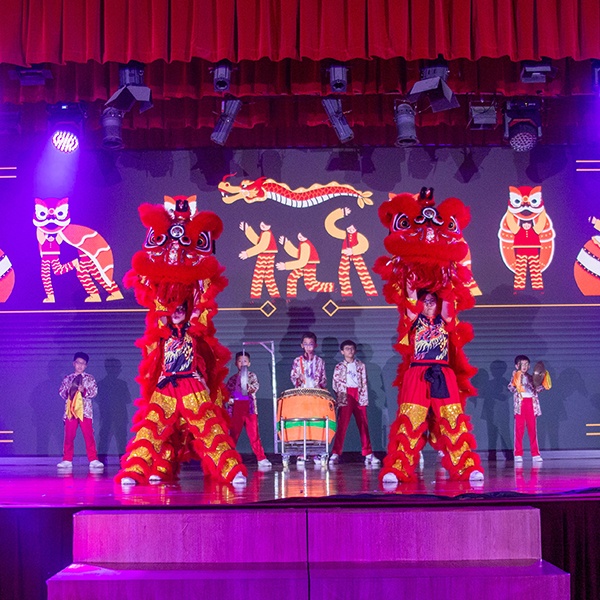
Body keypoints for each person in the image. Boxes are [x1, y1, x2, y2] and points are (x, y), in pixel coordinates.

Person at [116, 304, 247, 487]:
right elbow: (156, 327)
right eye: (173, 309)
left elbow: (204, 327)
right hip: (166, 386)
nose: (177, 313)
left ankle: (231, 470)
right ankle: (137, 470)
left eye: (181, 309)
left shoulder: (193, 332)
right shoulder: (162, 334)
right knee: (152, 428)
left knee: (208, 427)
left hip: (191, 385)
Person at [380, 286, 484, 484]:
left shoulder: (445, 320)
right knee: (410, 420)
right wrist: (411, 287)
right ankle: (398, 468)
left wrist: (446, 280)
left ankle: (466, 467)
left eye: (432, 301)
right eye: (425, 301)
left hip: (442, 374)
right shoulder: (413, 320)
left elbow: (448, 303)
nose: (428, 305)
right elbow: (411, 302)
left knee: (452, 419)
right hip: (417, 374)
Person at [330, 340, 380, 466]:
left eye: (352, 348)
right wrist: (341, 396)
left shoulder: (361, 365)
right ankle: (336, 453)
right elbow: (335, 383)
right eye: (347, 349)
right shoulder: (339, 367)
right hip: (345, 395)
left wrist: (363, 396)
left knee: (363, 425)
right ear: (342, 352)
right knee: (342, 426)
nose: (350, 351)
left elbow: (364, 381)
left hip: (359, 394)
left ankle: (368, 453)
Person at [57, 352, 104, 472]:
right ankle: (67, 459)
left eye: (83, 363)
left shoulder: (89, 378)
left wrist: (84, 391)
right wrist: (69, 391)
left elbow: (94, 392)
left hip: (85, 411)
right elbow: (61, 392)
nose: (80, 365)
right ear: (74, 363)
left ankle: (93, 459)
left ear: (86, 365)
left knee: (89, 435)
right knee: (69, 435)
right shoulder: (67, 378)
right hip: (71, 411)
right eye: (78, 363)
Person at [226, 351, 272, 468]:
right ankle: (229, 458)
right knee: (233, 435)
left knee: (254, 435)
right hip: (236, 409)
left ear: (249, 363)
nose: (242, 363)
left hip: (250, 409)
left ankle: (261, 458)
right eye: (240, 361)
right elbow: (227, 393)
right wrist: (229, 399)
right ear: (236, 363)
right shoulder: (232, 379)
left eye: (245, 361)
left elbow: (255, 387)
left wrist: (246, 385)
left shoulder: (252, 376)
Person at [508, 355, 550, 463]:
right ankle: (518, 454)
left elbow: (537, 389)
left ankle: (535, 454)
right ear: (517, 366)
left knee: (532, 430)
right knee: (519, 430)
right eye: (522, 364)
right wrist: (515, 380)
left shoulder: (531, 377)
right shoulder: (515, 376)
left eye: (526, 364)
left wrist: (544, 382)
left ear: (529, 366)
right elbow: (511, 388)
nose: (524, 366)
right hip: (520, 405)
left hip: (531, 404)